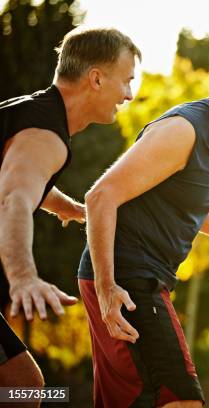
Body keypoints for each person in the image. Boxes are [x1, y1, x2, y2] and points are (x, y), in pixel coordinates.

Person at [77, 37, 209, 408]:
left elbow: (183, 203)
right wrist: (107, 287)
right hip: (127, 277)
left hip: (144, 277)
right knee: (181, 399)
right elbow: (100, 197)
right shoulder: (187, 129)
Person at [0, 27, 140, 394]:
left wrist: (73, 209)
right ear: (96, 78)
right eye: (126, 81)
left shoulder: (36, 116)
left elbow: (25, 180)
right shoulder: (45, 135)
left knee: (22, 386)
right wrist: (23, 277)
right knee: (24, 387)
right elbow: (13, 199)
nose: (129, 94)